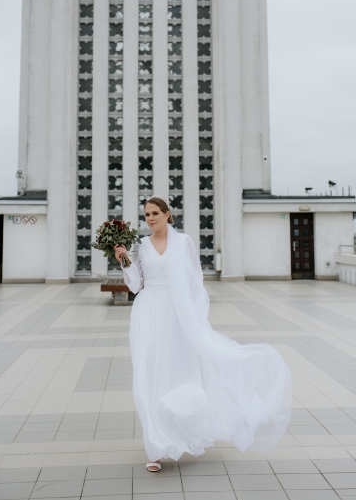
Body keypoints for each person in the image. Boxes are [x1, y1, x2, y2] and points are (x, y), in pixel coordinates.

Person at [114, 196, 291, 472]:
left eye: (155, 213)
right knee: (148, 376)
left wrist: (195, 318)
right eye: (146, 214)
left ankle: (180, 428)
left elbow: (196, 282)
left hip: (177, 314)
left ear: (167, 214)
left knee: (180, 370)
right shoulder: (140, 246)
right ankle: (155, 447)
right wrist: (124, 260)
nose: (150, 218)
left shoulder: (183, 242)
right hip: (148, 313)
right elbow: (136, 286)